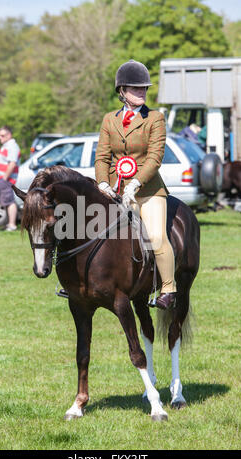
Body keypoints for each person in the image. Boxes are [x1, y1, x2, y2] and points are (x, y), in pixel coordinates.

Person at [95, 59, 176, 309]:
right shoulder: (110, 120)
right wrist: (103, 183)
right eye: (135, 88)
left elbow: (154, 157)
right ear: (122, 92)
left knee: (155, 236)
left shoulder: (155, 118)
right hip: (116, 191)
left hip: (149, 191)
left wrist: (136, 183)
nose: (141, 92)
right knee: (89, 232)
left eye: (144, 89)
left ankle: (169, 289)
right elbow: (102, 156)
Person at [0, 126, 20, 231]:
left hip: (6, 179)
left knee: (9, 201)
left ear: (9, 135)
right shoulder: (6, 145)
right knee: (5, 201)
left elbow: (12, 164)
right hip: (1, 179)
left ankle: (12, 225)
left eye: (2, 135)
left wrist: (4, 178)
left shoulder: (12, 146)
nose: (0, 137)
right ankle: (9, 224)